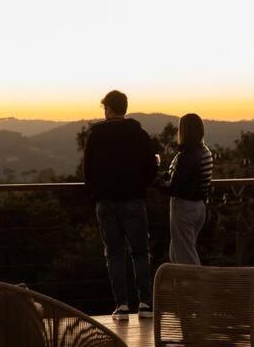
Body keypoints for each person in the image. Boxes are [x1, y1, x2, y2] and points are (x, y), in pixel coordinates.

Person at [83, 90, 158, 320]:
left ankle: (122, 306)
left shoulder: (95, 135)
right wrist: (141, 187)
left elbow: (88, 170)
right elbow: (151, 168)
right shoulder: (139, 134)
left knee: (114, 254)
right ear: (124, 108)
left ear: (108, 109)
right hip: (133, 200)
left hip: (106, 202)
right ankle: (145, 304)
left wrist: (95, 194)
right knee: (140, 252)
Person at [159, 113, 212, 265]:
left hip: (184, 208)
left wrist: (156, 182)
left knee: (186, 257)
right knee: (177, 252)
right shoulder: (205, 152)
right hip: (199, 207)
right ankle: (182, 286)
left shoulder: (186, 155)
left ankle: (196, 287)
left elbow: (175, 188)